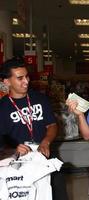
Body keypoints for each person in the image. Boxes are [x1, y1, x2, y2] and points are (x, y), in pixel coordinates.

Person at [0, 57, 68, 200]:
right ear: (6, 82)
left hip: (45, 156)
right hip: (18, 163)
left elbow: (52, 125)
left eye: (27, 76)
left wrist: (46, 141)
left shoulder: (40, 99)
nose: (26, 81)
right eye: (20, 78)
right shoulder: (2, 107)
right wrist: (14, 150)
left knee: (58, 193)